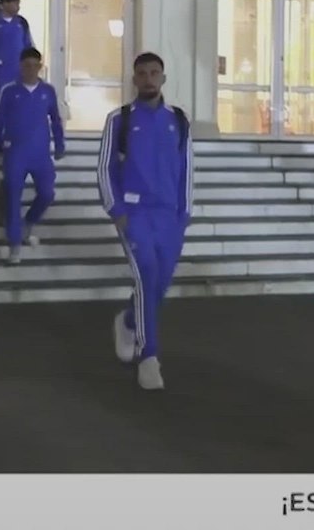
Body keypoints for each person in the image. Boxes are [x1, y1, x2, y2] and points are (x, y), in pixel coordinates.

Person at [98, 52, 194, 391]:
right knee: (146, 277)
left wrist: (184, 216)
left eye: (155, 73)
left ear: (163, 78)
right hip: (135, 215)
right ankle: (148, 356)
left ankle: (126, 321)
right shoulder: (119, 120)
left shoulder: (179, 121)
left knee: (157, 287)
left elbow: (186, 172)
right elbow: (105, 169)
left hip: (170, 218)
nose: (149, 78)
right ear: (135, 79)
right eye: (142, 73)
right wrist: (117, 211)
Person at [0, 48, 65, 266]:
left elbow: (56, 120)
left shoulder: (48, 91)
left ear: (40, 67)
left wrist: (59, 143)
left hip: (40, 154)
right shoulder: (9, 91)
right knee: (13, 198)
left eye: (35, 65)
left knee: (47, 193)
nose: (31, 70)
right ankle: (14, 246)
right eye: (27, 66)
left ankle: (28, 224)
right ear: (20, 66)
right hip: (15, 154)